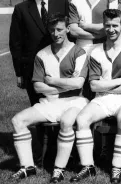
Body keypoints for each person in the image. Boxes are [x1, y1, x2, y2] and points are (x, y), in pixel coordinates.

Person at [10, 13, 89, 181]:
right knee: (17, 121)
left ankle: (58, 169)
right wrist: (63, 86)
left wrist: (52, 82)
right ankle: (28, 166)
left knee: (67, 122)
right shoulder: (41, 54)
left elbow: (78, 84)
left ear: (68, 29)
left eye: (60, 29)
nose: (56, 34)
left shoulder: (79, 52)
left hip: (75, 101)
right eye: (52, 30)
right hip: (49, 102)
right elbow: (38, 86)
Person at [70, 9, 121, 183]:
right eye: (107, 26)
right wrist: (120, 81)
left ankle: (117, 167)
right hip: (103, 98)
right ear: (103, 26)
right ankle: (88, 166)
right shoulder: (95, 51)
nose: (111, 30)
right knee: (82, 119)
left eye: (115, 25)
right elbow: (93, 85)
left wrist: (107, 85)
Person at [9, 0, 69, 105]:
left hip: (60, 64)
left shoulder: (62, 3)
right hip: (33, 68)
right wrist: (19, 72)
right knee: (38, 107)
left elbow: (69, 34)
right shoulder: (21, 9)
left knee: (63, 106)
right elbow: (15, 43)